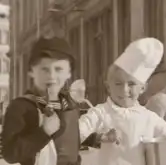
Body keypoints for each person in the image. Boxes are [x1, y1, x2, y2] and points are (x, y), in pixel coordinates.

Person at [78, 38, 166, 165]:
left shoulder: (148, 117)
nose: (124, 90)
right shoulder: (100, 113)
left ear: (142, 88)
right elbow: (76, 132)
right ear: (108, 87)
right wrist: (99, 138)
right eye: (118, 84)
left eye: (131, 84)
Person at [1, 37, 96, 165]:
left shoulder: (70, 106)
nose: (51, 76)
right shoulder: (20, 107)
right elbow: (9, 154)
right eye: (44, 69)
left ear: (69, 73)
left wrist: (97, 138)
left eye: (58, 69)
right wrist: (43, 133)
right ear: (31, 71)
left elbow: (71, 141)